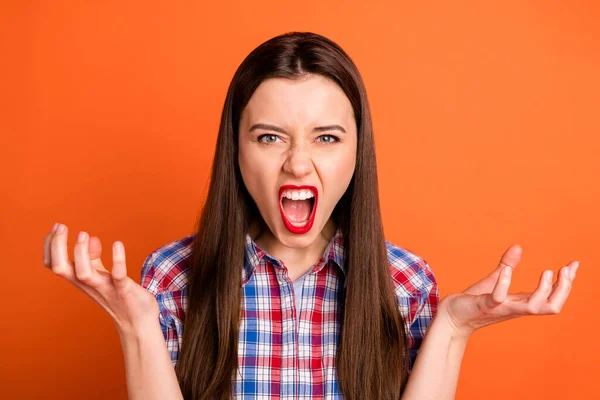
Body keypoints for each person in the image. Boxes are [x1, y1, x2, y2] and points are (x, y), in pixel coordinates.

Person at [42, 32, 578, 400]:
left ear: (356, 152)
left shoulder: (407, 285)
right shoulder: (171, 277)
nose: (298, 163)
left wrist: (454, 328)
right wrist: (137, 328)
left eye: (326, 137)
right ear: (236, 150)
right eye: (269, 137)